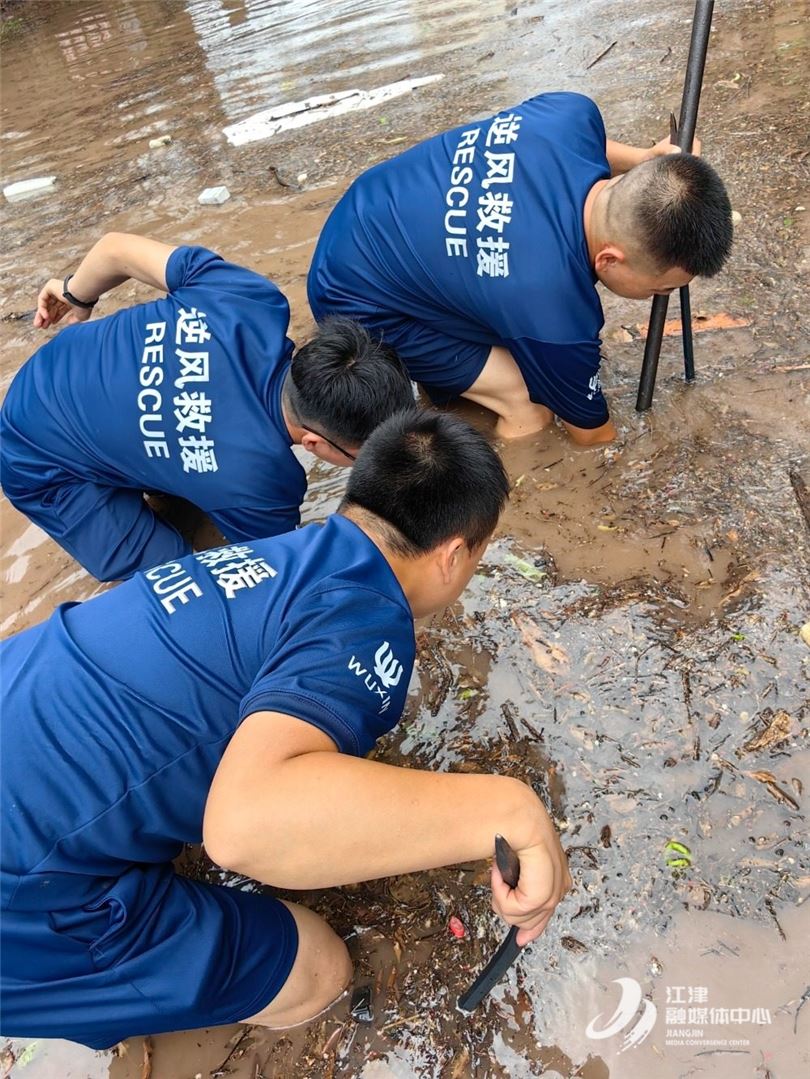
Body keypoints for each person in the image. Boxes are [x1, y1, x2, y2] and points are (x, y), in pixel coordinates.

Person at [0, 408, 571, 1048]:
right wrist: (513, 809)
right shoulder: (366, 619)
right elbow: (243, 827)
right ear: (456, 552)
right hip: (20, 897)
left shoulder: (285, 552)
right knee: (317, 972)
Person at [308, 91, 733, 443]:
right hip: (354, 298)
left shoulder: (568, 115)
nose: (661, 297)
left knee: (507, 338)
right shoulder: (552, 307)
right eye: (660, 290)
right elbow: (591, 435)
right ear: (609, 259)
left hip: (372, 205)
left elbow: (589, 145)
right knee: (530, 402)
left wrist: (645, 157)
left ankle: (453, 385)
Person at [0, 233, 414, 582]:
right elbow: (276, 571)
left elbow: (114, 248)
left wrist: (75, 294)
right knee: (179, 583)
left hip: (59, 364)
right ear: (314, 443)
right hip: (34, 454)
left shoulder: (246, 298)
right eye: (362, 457)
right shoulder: (259, 484)